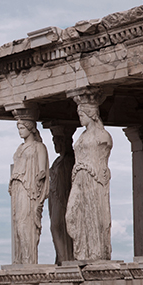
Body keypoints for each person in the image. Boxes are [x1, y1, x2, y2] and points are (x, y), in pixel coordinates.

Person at [66, 101, 113, 261]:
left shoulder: (103, 136)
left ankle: (95, 253)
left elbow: (103, 162)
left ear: (91, 114)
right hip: (79, 178)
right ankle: (82, 251)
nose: (80, 118)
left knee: (93, 214)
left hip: (93, 179)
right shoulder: (82, 136)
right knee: (72, 215)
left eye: (82, 115)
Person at [9, 119, 49, 264]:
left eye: (22, 127)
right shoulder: (19, 148)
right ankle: (20, 259)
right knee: (18, 223)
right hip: (18, 188)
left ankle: (29, 260)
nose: (20, 131)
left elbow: (42, 171)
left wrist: (39, 177)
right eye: (18, 128)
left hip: (30, 189)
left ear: (30, 128)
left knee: (25, 223)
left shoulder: (39, 147)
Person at [48, 125, 76, 264]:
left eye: (58, 142)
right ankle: (61, 257)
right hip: (55, 197)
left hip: (64, 198)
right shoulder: (58, 161)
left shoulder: (70, 159)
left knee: (57, 226)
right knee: (56, 226)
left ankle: (65, 257)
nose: (56, 145)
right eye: (54, 142)